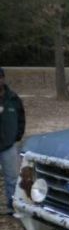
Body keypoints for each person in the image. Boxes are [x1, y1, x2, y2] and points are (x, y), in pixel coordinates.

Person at [0, 67, 25, 215]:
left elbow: (21, 118)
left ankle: (12, 205)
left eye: (0, 77)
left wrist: (17, 135)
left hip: (8, 145)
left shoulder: (13, 98)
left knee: (12, 178)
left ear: (3, 79)